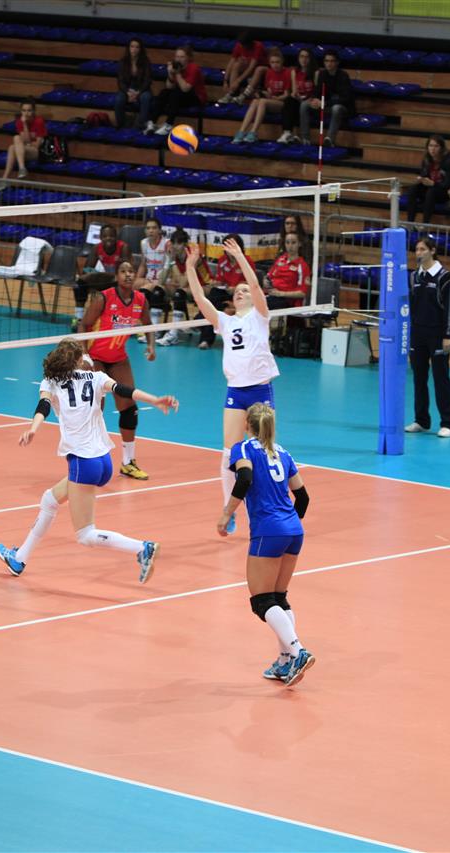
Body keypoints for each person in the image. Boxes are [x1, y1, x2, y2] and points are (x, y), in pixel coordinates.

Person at [0, 339, 176, 582]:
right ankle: (19, 559)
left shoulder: (51, 381)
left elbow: (43, 406)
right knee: (49, 499)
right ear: (79, 359)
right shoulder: (97, 377)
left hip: (82, 462)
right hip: (103, 461)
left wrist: (33, 429)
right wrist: (154, 400)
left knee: (85, 535)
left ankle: (143, 548)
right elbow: (124, 390)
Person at [184, 240, 279, 533]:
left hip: (260, 391)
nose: (240, 293)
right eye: (236, 291)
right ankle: (230, 507)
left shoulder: (261, 317)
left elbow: (257, 288)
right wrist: (190, 266)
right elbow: (200, 299)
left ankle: (266, 508)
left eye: (244, 291)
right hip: (236, 392)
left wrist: (240, 258)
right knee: (229, 452)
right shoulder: (225, 321)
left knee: (263, 451)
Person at [217, 403, 314, 686]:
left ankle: (297, 651)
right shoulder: (283, 452)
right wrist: (288, 525)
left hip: (268, 530)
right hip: (294, 530)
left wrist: (226, 513)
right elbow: (304, 498)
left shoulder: (244, 449)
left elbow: (244, 477)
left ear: (247, 424)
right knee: (278, 597)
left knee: (261, 601)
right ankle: (284, 661)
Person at [80, 260, 157, 480]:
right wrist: (85, 356)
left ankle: (128, 462)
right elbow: (84, 325)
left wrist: (151, 346)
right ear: (117, 275)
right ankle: (89, 457)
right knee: (96, 408)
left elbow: (149, 324)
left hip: (118, 358)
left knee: (129, 407)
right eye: (123, 271)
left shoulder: (140, 300)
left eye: (131, 271)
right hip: (96, 358)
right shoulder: (103, 297)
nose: (128, 275)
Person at [404, 236, 450, 435]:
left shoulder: (445, 277)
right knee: (419, 377)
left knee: (441, 378)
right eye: (416, 250)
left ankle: (447, 423)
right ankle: (421, 420)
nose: (419, 253)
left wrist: (447, 335)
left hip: (437, 334)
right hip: (418, 333)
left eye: (422, 249)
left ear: (432, 251)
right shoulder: (413, 277)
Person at [74, 225, 132, 330]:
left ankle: (116, 320)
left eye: (111, 236)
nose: (108, 238)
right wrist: (92, 275)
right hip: (107, 279)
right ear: (100, 237)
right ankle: (78, 318)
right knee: (80, 283)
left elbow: (126, 271)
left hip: (122, 281)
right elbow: (87, 269)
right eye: (105, 236)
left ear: (116, 237)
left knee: (118, 284)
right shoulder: (97, 248)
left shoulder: (123, 247)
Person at [232, 47, 290, 144]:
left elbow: (287, 95)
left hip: (282, 103)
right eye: (272, 62)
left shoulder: (287, 73)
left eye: (277, 62)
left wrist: (275, 98)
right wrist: (265, 94)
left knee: (262, 102)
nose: (275, 65)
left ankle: (253, 132)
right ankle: (241, 131)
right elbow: (268, 90)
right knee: (255, 101)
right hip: (271, 100)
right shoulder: (269, 72)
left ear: (282, 62)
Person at [298, 49, 354, 148]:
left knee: (336, 108)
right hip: (326, 105)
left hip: (342, 108)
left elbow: (345, 98)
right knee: (304, 104)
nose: (329, 63)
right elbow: (317, 91)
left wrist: (325, 103)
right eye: (327, 61)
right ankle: (305, 138)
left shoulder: (343, 75)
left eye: (332, 61)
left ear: (337, 62)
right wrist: (315, 99)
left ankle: (330, 139)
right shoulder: (322, 74)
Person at [153, 227, 198, 346]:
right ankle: (155, 331)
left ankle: (174, 335)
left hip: (202, 287)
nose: (175, 246)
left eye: (179, 243)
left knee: (179, 293)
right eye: (173, 243)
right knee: (157, 291)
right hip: (183, 288)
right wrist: (168, 260)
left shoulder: (192, 256)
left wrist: (172, 262)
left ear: (185, 244)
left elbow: (183, 282)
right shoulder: (174, 256)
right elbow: (160, 281)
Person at [153, 45, 207, 137]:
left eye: (182, 57)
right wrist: (170, 73)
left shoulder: (193, 68)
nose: (179, 59)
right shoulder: (176, 66)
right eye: (177, 57)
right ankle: (152, 122)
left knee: (176, 93)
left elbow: (185, 88)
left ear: (188, 58)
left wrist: (177, 73)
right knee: (164, 93)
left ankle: (168, 125)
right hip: (182, 96)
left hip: (196, 97)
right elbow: (169, 87)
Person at [407, 135, 450, 225]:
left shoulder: (448, 163)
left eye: (436, 146)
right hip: (431, 189)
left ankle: (425, 224)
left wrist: (433, 184)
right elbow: (425, 175)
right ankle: (409, 223)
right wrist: (421, 180)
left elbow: (448, 184)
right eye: (430, 146)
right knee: (413, 188)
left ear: (441, 148)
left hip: (446, 193)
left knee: (432, 191)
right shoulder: (427, 160)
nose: (433, 149)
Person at [114, 38, 155, 133]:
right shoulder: (124, 61)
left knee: (146, 98)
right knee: (119, 99)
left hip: (142, 89)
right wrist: (128, 92)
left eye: (137, 47)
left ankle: (140, 125)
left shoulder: (145, 61)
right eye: (132, 46)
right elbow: (120, 81)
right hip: (127, 89)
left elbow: (147, 80)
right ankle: (122, 124)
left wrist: (138, 93)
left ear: (140, 49)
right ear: (128, 48)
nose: (134, 49)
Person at [278, 48, 317, 144]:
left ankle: (305, 138)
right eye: (302, 56)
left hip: (310, 102)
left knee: (303, 105)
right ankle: (287, 133)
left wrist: (308, 99)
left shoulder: (316, 72)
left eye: (307, 57)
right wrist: (295, 95)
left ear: (311, 59)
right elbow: (294, 91)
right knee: (289, 101)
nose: (304, 59)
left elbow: (316, 92)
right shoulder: (294, 72)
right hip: (299, 100)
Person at [216, 31, 266, 105]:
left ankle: (243, 96)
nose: (242, 46)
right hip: (247, 70)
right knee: (236, 64)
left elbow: (252, 67)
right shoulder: (239, 45)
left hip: (259, 70)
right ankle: (231, 94)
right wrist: (225, 81)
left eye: (244, 45)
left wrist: (238, 81)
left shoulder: (258, 46)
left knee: (258, 69)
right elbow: (231, 62)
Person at [2, 99, 46, 181]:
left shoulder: (39, 121)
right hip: (23, 151)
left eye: (29, 110)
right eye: (24, 110)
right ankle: (17, 171)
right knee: (14, 144)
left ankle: (6, 178)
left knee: (14, 146)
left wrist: (25, 125)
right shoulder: (19, 122)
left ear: (34, 111)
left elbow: (36, 145)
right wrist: (24, 124)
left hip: (38, 152)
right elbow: (26, 140)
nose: (26, 113)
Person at [264, 232, 310, 308]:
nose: (290, 246)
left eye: (293, 242)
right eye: (287, 242)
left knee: (259, 306)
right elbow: (269, 276)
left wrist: (280, 293)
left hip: (287, 300)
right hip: (271, 294)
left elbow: (302, 293)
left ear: (299, 244)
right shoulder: (280, 259)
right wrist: (265, 281)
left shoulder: (302, 265)